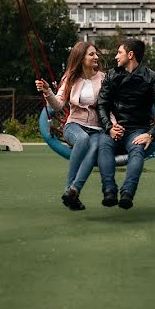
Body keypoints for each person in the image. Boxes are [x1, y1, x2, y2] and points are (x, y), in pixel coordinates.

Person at [96, 38, 155, 210]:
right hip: (115, 127)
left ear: (130, 55)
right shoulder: (112, 75)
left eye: (119, 52)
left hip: (137, 129)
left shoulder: (151, 77)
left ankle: (127, 193)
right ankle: (109, 190)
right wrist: (109, 127)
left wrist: (151, 134)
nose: (116, 57)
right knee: (104, 146)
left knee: (137, 151)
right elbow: (102, 104)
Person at [36, 42, 105, 212]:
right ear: (81, 58)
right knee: (83, 140)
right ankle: (70, 188)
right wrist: (48, 92)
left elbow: (109, 104)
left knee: (94, 146)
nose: (96, 57)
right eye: (91, 54)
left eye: (95, 54)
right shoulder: (70, 78)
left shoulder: (103, 78)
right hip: (74, 125)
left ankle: (73, 192)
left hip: (97, 127)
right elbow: (58, 106)